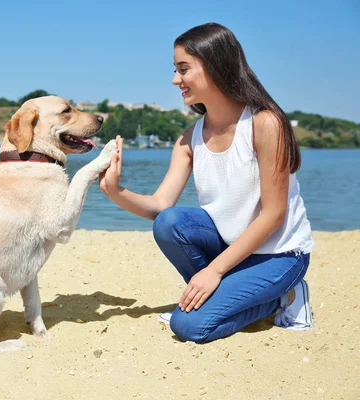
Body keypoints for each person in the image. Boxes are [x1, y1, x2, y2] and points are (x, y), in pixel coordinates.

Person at [98, 23, 314, 343]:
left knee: (189, 327)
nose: (175, 80)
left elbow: (273, 215)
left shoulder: (265, 123)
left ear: (215, 65)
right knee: (170, 223)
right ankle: (217, 298)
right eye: (175, 70)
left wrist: (213, 271)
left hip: (280, 255)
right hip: (233, 249)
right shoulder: (189, 138)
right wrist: (115, 190)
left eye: (183, 69)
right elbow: (160, 207)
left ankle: (284, 298)